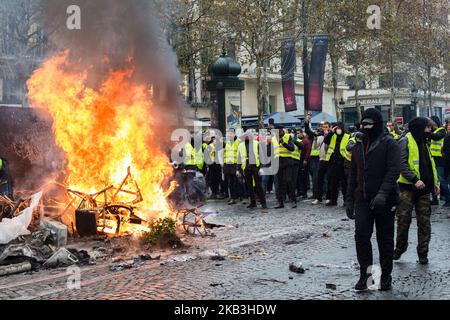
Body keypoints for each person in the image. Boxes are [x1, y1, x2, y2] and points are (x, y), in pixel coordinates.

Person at [346, 108, 401, 291]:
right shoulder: (358, 144)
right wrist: (349, 200)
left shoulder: (390, 143)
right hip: (362, 198)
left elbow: (393, 170)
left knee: (384, 240)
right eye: (363, 124)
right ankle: (366, 276)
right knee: (361, 236)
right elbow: (353, 173)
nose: (365, 127)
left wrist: (383, 194)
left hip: (385, 200)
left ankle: (385, 276)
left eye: (369, 124)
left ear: (377, 124)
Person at [394, 117, 439, 265]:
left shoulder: (425, 141)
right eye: (427, 128)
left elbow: (429, 163)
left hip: (424, 189)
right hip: (407, 188)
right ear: (420, 128)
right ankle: (400, 248)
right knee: (403, 220)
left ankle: (423, 253)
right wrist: (414, 179)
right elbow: (401, 164)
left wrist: (435, 183)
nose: (430, 130)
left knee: (424, 223)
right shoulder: (405, 141)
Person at [304, 117, 331, 205]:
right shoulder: (320, 136)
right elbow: (315, 147)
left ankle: (328, 197)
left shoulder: (332, 135)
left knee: (328, 180)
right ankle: (318, 197)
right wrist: (315, 140)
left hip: (330, 160)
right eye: (323, 127)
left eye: (326, 127)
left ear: (329, 127)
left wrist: (327, 135)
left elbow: (328, 146)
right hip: (321, 159)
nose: (324, 128)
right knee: (319, 179)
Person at [323, 122, 349, 206]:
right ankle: (333, 200)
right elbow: (325, 141)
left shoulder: (347, 136)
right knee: (333, 183)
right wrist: (331, 132)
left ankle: (346, 200)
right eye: (336, 128)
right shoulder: (332, 136)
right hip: (333, 162)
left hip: (343, 162)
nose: (338, 130)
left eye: (339, 128)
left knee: (344, 184)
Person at [238, 133, 267, 209]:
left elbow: (261, 156)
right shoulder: (240, 145)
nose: (246, 137)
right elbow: (239, 158)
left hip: (255, 166)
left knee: (258, 185)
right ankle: (253, 202)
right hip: (246, 167)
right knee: (249, 186)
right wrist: (238, 169)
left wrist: (261, 167)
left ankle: (263, 203)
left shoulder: (256, 143)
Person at [274, 127, 296, 209]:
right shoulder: (274, 139)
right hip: (278, 162)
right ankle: (281, 202)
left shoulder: (288, 136)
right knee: (279, 183)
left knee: (289, 181)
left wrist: (283, 143)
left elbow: (292, 148)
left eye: (280, 131)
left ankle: (293, 200)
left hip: (287, 162)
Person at [429, 116, 449, 206]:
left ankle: (448, 198)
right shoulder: (434, 131)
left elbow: (436, 137)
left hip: (440, 159)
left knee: (442, 180)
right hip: (434, 159)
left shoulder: (441, 130)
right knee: (435, 179)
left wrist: (427, 133)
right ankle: (437, 198)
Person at [223, 129, 239, 205]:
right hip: (228, 165)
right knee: (230, 182)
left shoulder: (237, 142)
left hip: (235, 165)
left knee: (237, 182)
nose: (229, 135)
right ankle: (233, 197)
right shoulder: (228, 142)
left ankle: (237, 197)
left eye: (230, 133)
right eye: (228, 134)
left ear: (234, 134)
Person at [296, 129, 311, 198]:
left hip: (304, 161)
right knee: (299, 178)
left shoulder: (305, 141)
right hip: (299, 160)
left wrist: (305, 160)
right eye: (297, 133)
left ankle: (304, 193)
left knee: (304, 178)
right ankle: (300, 192)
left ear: (302, 133)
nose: (298, 134)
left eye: (299, 133)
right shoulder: (299, 140)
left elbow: (308, 151)